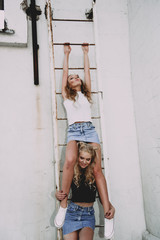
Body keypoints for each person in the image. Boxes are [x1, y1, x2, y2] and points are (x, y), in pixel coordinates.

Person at [54, 43, 113, 237]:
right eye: (72, 78)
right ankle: (63, 204)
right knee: (70, 161)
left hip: (89, 130)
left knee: (96, 169)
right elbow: (63, 75)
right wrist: (66, 54)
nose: (75, 78)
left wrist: (86, 53)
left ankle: (108, 211)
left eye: (76, 76)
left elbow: (88, 74)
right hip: (73, 130)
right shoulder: (66, 96)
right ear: (68, 85)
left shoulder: (86, 95)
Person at [55, 142, 115, 240]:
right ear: (77, 156)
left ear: (91, 160)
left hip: (88, 215)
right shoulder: (72, 171)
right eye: (82, 158)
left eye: (88, 159)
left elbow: (101, 196)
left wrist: (111, 207)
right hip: (72, 213)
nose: (84, 161)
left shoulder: (95, 174)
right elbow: (64, 190)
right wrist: (57, 194)